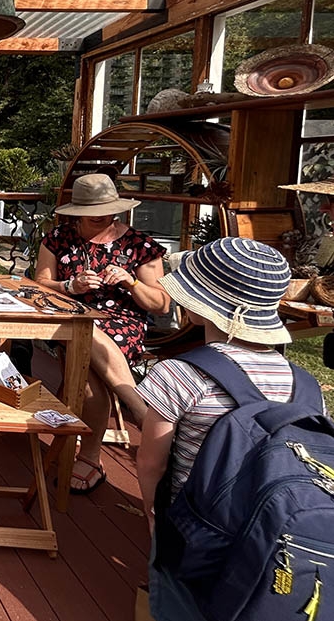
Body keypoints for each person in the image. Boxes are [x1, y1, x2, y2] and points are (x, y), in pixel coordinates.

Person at [135, 237, 296, 621]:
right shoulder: (301, 382)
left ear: (199, 303)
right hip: (272, 529)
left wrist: (153, 515)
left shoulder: (179, 373)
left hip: (194, 530)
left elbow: (151, 464)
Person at [35, 173, 171, 493]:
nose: (99, 215)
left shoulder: (140, 246)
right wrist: (69, 285)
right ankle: (137, 410)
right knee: (82, 334)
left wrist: (130, 281)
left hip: (123, 324)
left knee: (83, 355)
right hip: (69, 318)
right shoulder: (58, 238)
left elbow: (162, 304)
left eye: (106, 208)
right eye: (92, 210)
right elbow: (39, 283)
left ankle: (92, 455)